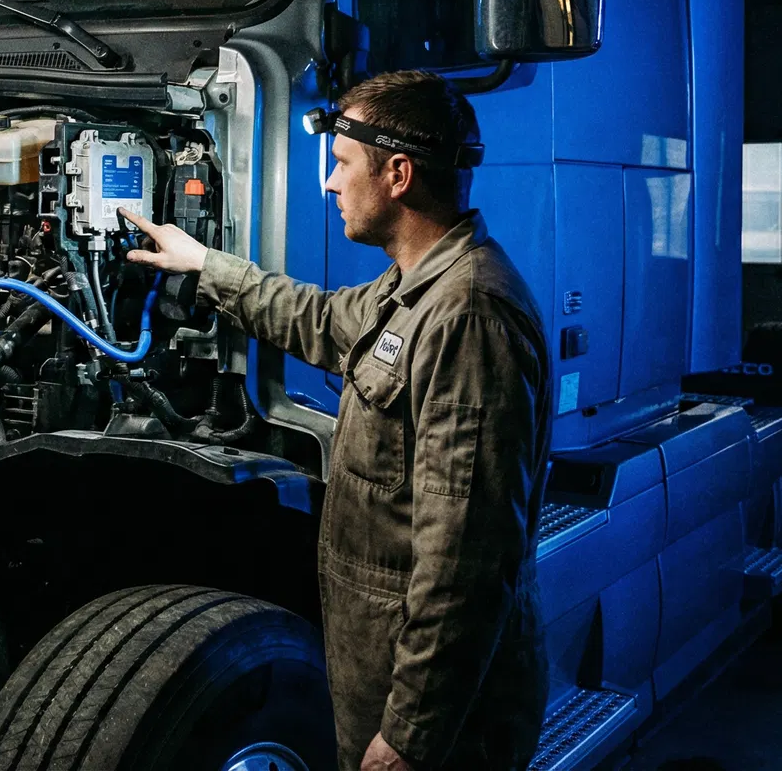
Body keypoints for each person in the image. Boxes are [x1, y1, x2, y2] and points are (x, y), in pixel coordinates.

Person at [121, 70, 549, 771]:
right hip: (378, 677)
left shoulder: (468, 314)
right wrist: (204, 264)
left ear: (399, 174)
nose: (328, 184)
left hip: (437, 723)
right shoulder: (410, 287)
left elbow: (465, 563)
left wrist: (411, 737)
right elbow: (318, 319)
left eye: (343, 166)